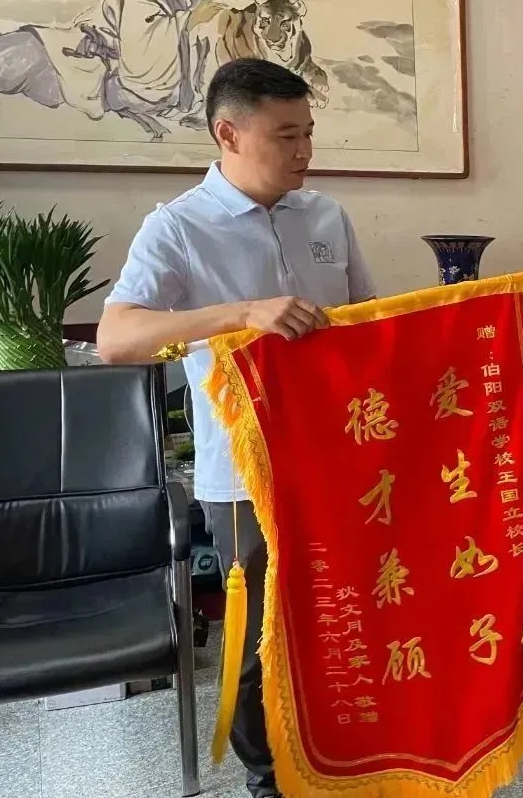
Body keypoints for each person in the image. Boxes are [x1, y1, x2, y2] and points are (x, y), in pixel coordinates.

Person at [98, 58, 376, 798]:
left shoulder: (326, 216)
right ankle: (270, 777)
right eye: (286, 136)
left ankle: (347, 751)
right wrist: (241, 313)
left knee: (344, 612)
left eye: (309, 132)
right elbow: (116, 338)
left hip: (339, 457)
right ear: (229, 133)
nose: (304, 151)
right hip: (245, 473)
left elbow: (365, 326)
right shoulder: (178, 227)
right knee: (260, 633)